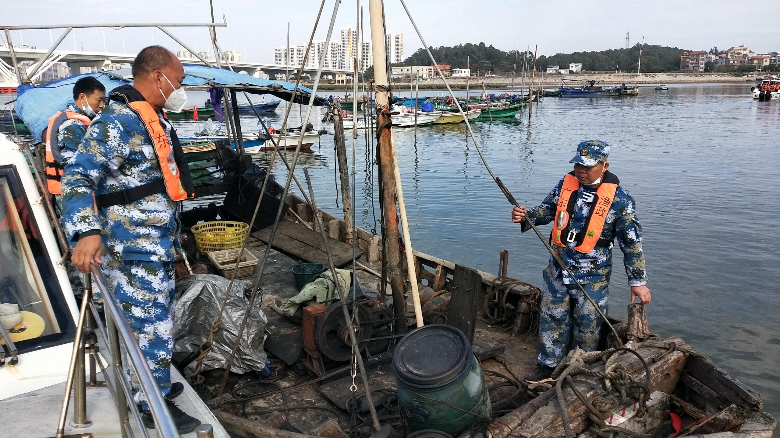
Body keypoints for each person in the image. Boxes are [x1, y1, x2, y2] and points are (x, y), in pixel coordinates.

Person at [61, 45, 198, 433]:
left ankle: (154, 386)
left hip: (154, 246)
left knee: (156, 324)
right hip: (131, 249)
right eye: (180, 81)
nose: (181, 88)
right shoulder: (119, 122)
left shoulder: (151, 119)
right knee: (149, 326)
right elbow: (76, 178)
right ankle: (150, 406)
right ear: (159, 77)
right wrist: (86, 232)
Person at [511, 140, 651, 381]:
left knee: (588, 324)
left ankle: (579, 369)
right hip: (557, 268)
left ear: (604, 166)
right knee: (552, 315)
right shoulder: (566, 184)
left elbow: (631, 243)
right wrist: (527, 215)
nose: (581, 171)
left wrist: (637, 281)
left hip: (592, 276)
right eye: (578, 165)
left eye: (588, 167)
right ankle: (548, 365)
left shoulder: (620, 201)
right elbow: (547, 210)